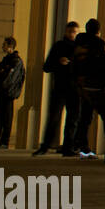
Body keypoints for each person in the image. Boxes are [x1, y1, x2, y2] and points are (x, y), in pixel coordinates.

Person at [34, 22, 79, 155]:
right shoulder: (59, 46)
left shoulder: (77, 48)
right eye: (70, 31)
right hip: (62, 87)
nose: (72, 34)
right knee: (55, 117)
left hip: (71, 87)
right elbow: (46, 66)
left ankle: (66, 147)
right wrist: (59, 62)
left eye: (74, 32)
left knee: (71, 119)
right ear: (66, 31)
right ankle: (48, 145)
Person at [71, 19, 105, 158]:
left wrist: (79, 82)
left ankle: (83, 147)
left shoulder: (78, 44)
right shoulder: (99, 44)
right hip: (96, 87)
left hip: (83, 87)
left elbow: (74, 64)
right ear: (98, 31)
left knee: (85, 117)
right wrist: (103, 83)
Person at [0, 37, 25, 149]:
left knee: (6, 118)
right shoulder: (7, 60)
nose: (2, 46)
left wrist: (1, 85)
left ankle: (4, 142)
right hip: (3, 93)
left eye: (4, 44)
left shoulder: (16, 61)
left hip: (8, 93)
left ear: (10, 46)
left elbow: (9, 78)